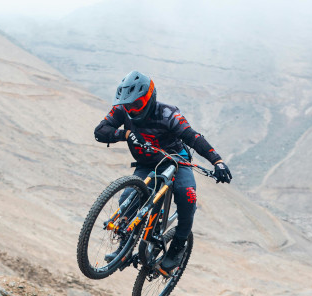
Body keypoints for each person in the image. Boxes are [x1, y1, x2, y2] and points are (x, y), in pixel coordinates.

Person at [94, 71, 232, 271]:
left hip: (177, 161)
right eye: (128, 105)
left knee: (187, 197)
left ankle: (178, 246)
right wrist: (126, 133)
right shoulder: (121, 111)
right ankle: (124, 249)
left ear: (149, 98)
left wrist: (217, 161)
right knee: (128, 199)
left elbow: (193, 137)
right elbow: (100, 131)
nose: (131, 110)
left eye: (137, 104)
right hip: (146, 164)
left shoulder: (168, 114)